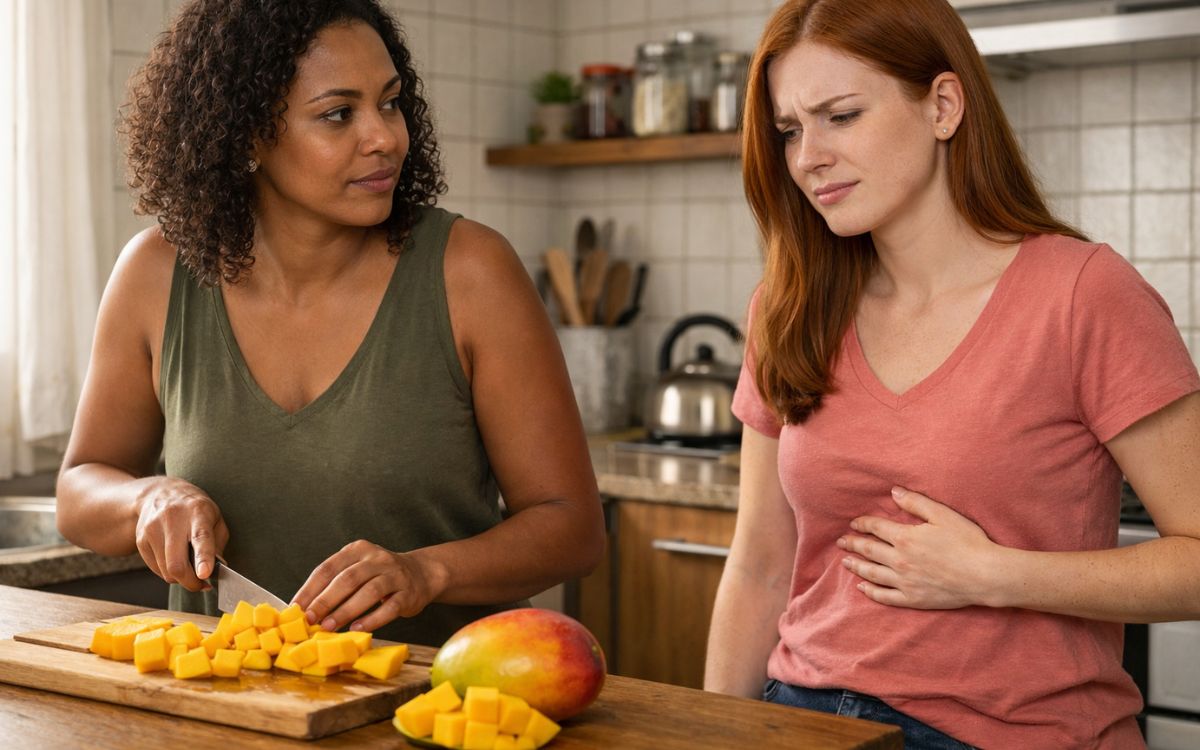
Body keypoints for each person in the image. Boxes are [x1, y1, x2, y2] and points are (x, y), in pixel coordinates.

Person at [703, 0, 1200, 748]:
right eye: (789, 130)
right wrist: (717, 732)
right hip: (798, 717)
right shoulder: (789, 305)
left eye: (841, 116)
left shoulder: (1083, 295)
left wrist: (995, 575)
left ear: (942, 105)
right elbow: (759, 566)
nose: (807, 156)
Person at [55, 0, 605, 648]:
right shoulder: (155, 274)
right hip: (233, 714)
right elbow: (79, 488)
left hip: (439, 707)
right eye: (338, 114)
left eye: (392, 102)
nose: (386, 137)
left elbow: (572, 528)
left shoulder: (472, 273)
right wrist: (145, 501)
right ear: (248, 135)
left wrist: (426, 571)